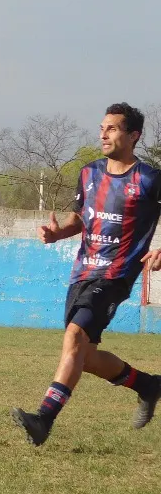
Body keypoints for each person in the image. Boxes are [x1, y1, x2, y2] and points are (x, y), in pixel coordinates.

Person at [12, 103, 161, 448]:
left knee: (75, 336)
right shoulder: (89, 173)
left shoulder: (150, 179)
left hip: (115, 276)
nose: (103, 134)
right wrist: (56, 234)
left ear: (133, 135)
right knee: (84, 355)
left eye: (112, 128)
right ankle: (147, 385)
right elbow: (80, 219)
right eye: (102, 127)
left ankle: (44, 419)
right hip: (82, 273)